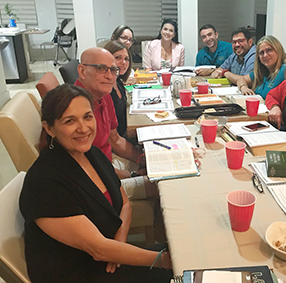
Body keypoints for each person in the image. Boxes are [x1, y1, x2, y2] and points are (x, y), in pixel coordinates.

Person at [19, 84, 172, 282]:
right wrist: (163, 260)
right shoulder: (44, 182)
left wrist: (118, 245)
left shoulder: (91, 154)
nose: (83, 128)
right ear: (49, 128)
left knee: (188, 254)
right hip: (79, 273)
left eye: (87, 116)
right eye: (69, 121)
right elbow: (99, 249)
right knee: (182, 268)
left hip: (106, 258)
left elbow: (124, 203)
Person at [74, 47, 155, 201]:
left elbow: (115, 140)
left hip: (110, 160)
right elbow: (86, 166)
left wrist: (144, 159)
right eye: (101, 69)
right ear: (82, 71)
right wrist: (131, 175)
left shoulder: (104, 94)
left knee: (161, 162)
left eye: (113, 70)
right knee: (161, 183)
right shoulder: (74, 108)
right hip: (96, 182)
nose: (109, 76)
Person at [235, 35, 286, 99]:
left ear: (278, 50)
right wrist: (244, 87)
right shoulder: (263, 71)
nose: (265, 55)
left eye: (269, 50)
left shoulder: (285, 70)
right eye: (261, 53)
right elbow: (241, 79)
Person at [104, 40, 131, 138]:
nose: (123, 62)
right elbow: (112, 138)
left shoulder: (118, 81)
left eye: (126, 59)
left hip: (125, 133)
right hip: (118, 140)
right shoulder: (105, 90)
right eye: (117, 57)